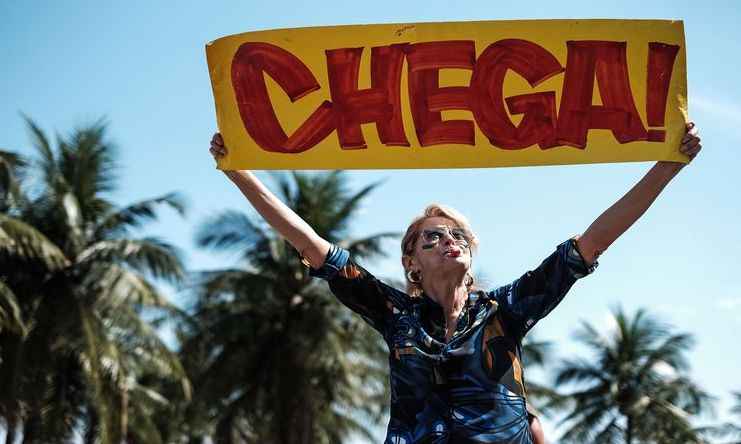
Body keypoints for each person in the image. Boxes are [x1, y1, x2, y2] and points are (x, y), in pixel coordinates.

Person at [208, 123, 701, 443]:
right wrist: (240, 175)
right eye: (433, 237)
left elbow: (592, 241)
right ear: (412, 264)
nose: (450, 240)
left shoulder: (506, 309)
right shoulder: (395, 314)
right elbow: (314, 247)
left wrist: (667, 168)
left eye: (458, 234)